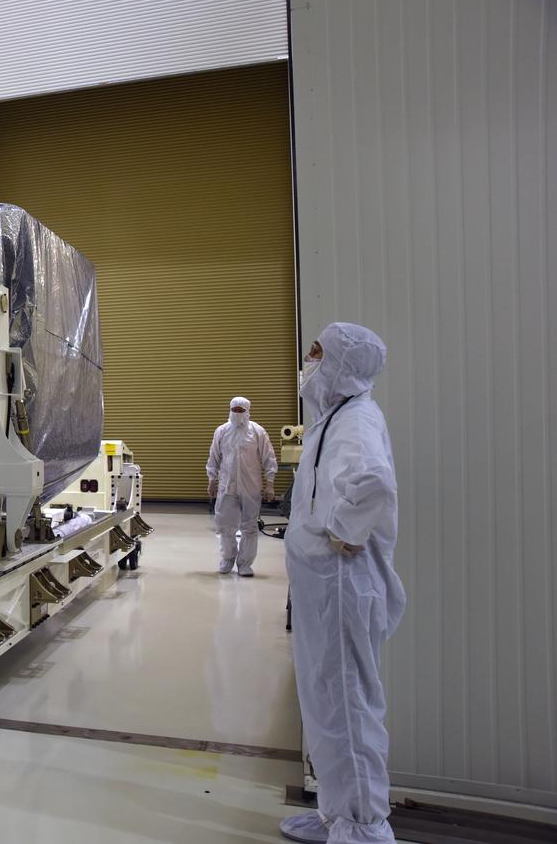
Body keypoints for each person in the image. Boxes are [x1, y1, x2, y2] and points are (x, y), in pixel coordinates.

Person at [279, 323, 405, 844]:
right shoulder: (335, 418)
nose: (309, 362)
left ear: (343, 364)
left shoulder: (355, 420)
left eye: (318, 353)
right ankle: (338, 813)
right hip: (323, 586)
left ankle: (365, 828)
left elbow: (373, 481)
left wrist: (346, 531)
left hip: (340, 585)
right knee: (325, 699)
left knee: (347, 705)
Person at [207, 396, 278, 576]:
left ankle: (245, 563)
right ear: (230, 410)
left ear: (247, 411)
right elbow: (214, 456)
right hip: (227, 486)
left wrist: (270, 483)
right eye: (235, 410)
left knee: (250, 525)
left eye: (241, 410)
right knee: (225, 525)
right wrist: (212, 479)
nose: (237, 413)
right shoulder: (222, 431)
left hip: (250, 486)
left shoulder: (257, 432)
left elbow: (269, 458)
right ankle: (227, 559)